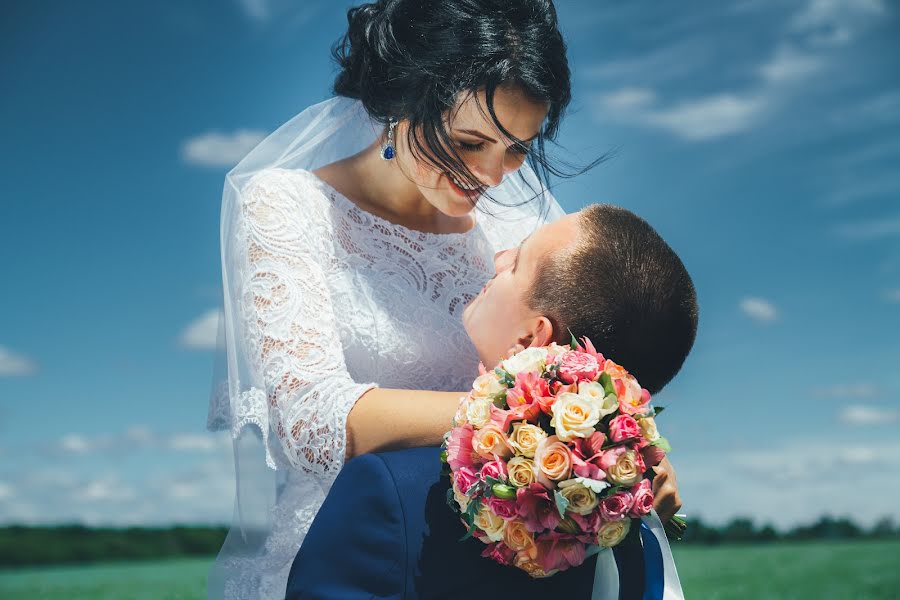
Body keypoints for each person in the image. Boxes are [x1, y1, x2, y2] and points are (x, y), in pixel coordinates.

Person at [206, 2, 682, 597]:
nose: (491, 174)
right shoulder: (286, 206)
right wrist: (537, 420)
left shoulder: (514, 230)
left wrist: (614, 444)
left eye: (517, 149)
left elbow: (591, 348)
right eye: (468, 140)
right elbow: (310, 418)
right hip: (345, 555)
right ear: (401, 97)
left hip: (499, 561)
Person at [286, 204, 697, 599]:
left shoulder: (391, 493)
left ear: (529, 340)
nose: (498, 257)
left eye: (517, 263)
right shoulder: (627, 523)